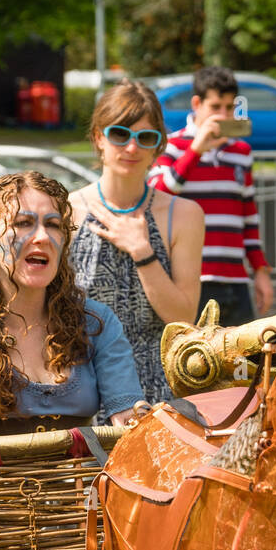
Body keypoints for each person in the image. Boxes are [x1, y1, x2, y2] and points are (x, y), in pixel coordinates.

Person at [0, 171, 145, 438]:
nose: (41, 237)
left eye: (53, 225)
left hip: (86, 479)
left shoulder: (97, 324)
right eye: (23, 223)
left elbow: (130, 423)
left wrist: (141, 421)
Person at [69, 80, 204, 404]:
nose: (132, 148)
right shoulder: (66, 210)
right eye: (120, 134)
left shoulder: (183, 214)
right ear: (99, 137)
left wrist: (143, 251)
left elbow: (183, 318)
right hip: (81, 386)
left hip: (156, 390)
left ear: (158, 146)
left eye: (145, 137)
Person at [148, 65, 273, 326]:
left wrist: (260, 272)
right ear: (197, 104)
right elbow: (157, 194)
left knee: (243, 365)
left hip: (235, 281)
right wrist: (195, 151)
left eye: (229, 107)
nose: (223, 115)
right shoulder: (172, 146)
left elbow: (248, 218)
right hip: (191, 281)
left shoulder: (241, 152)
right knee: (193, 364)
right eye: (216, 107)